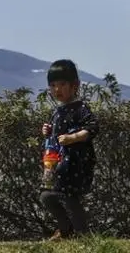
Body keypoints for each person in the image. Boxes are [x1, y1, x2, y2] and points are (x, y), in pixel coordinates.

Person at [38, 59, 98, 240]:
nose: (57, 89)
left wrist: (73, 138)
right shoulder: (57, 111)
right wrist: (46, 131)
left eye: (62, 84)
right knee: (47, 196)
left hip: (75, 163)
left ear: (75, 86)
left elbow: (93, 127)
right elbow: (53, 136)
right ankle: (66, 230)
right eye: (53, 85)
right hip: (56, 163)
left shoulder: (81, 108)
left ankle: (82, 234)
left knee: (70, 197)